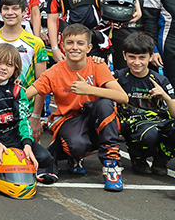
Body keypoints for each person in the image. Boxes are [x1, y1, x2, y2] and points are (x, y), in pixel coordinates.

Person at [26, 24, 128, 189]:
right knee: (76, 146)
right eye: (70, 42)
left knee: (105, 103)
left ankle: (111, 164)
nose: (74, 47)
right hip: (70, 119)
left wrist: (89, 90)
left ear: (89, 48)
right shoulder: (55, 71)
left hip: (94, 117)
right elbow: (30, 92)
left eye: (80, 43)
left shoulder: (97, 65)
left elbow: (123, 97)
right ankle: (70, 154)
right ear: (62, 45)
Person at [0, 43, 58, 184]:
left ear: (15, 69)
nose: (3, 68)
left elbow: (23, 120)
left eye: (9, 65)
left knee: (45, 157)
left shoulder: (18, 89)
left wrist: (27, 144)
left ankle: (35, 171)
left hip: (12, 135)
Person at [114, 33, 175, 174]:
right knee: (149, 133)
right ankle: (138, 158)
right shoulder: (117, 77)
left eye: (142, 57)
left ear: (150, 56)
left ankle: (161, 159)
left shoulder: (161, 80)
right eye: (132, 57)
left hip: (157, 123)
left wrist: (165, 97)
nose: (137, 62)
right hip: (132, 126)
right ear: (124, 55)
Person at [0, 0, 49, 89]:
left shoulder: (36, 43)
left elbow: (41, 83)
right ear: (0, 11)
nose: (10, 13)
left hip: (25, 102)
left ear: (25, 11)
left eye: (15, 8)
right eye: (6, 9)